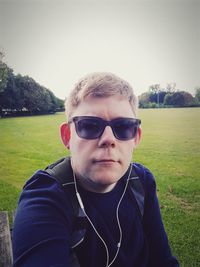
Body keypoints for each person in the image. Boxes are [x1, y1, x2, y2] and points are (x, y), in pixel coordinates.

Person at [12, 72, 179, 267]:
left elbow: (163, 261)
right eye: (90, 125)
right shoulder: (45, 197)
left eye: (124, 126)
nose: (108, 139)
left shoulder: (141, 181)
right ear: (67, 136)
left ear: (136, 137)